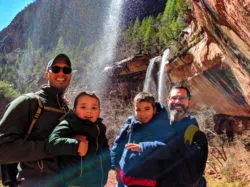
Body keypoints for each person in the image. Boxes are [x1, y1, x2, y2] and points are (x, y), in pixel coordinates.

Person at [0, 53, 72, 187]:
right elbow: (2, 149)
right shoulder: (28, 102)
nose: (61, 73)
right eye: (56, 69)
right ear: (47, 75)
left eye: (66, 70)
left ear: (70, 75)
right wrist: (51, 147)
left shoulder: (67, 111)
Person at [45, 91, 110, 187]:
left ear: (99, 111)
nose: (89, 111)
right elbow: (52, 143)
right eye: (83, 107)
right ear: (74, 110)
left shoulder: (100, 128)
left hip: (96, 181)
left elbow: (105, 149)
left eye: (94, 108)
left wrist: (107, 165)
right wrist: (76, 145)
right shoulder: (69, 123)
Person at [111, 92, 170, 187]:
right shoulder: (130, 123)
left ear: (154, 109)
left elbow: (167, 148)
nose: (142, 113)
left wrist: (142, 147)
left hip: (144, 178)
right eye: (138, 109)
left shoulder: (162, 126)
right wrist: (115, 165)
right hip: (124, 176)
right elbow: (118, 144)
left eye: (147, 109)